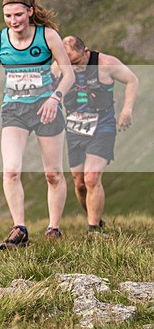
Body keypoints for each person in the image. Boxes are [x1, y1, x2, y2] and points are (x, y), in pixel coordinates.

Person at [0, 0, 74, 249]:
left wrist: (54, 98)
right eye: (8, 16)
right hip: (14, 110)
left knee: (53, 174)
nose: (13, 21)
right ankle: (19, 229)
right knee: (11, 170)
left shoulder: (48, 37)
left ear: (30, 12)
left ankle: (53, 228)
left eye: (18, 15)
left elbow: (69, 74)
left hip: (47, 109)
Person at [56, 35, 138, 233]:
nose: (74, 68)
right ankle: (96, 220)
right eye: (69, 64)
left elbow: (132, 80)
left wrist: (126, 110)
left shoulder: (106, 63)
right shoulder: (57, 67)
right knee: (80, 183)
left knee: (91, 177)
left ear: (86, 52)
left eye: (76, 62)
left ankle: (93, 230)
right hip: (74, 127)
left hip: (103, 125)